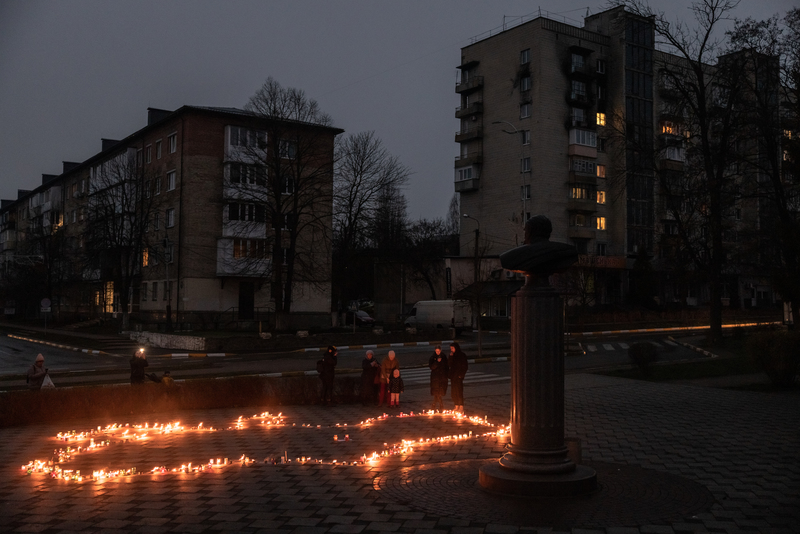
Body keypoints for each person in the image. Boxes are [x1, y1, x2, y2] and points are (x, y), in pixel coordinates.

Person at [448, 342, 468, 413]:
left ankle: (461, 406)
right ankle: (456, 405)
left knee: (459, 391)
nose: (452, 350)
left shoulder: (462, 355)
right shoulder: (452, 355)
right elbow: (449, 364)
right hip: (453, 376)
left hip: (459, 377)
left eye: (453, 348)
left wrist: (461, 375)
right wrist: (450, 357)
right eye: (451, 348)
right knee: (454, 392)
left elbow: (465, 366)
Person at [428, 344, 449, 411]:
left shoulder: (443, 356)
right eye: (436, 351)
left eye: (439, 351)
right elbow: (431, 367)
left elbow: (446, 366)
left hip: (442, 377)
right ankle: (440, 405)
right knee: (437, 392)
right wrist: (437, 362)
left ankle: (435, 405)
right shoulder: (432, 357)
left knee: (439, 392)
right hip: (435, 378)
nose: (438, 352)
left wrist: (446, 374)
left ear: (440, 350)